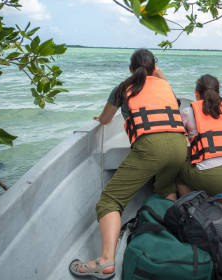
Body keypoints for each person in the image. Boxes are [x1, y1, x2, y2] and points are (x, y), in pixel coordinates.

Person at [69, 49, 187, 279]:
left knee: (109, 201)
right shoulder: (166, 86)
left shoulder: (123, 88)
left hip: (151, 148)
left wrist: (99, 119)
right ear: (155, 68)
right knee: (166, 189)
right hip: (179, 146)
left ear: (131, 69)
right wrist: (159, 74)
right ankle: (170, 241)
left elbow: (106, 119)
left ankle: (105, 262)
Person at [176, 74, 222, 196]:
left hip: (211, 178)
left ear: (196, 93)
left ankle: (190, 209)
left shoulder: (188, 112)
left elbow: (178, 137)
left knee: (179, 173)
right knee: (215, 178)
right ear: (219, 93)